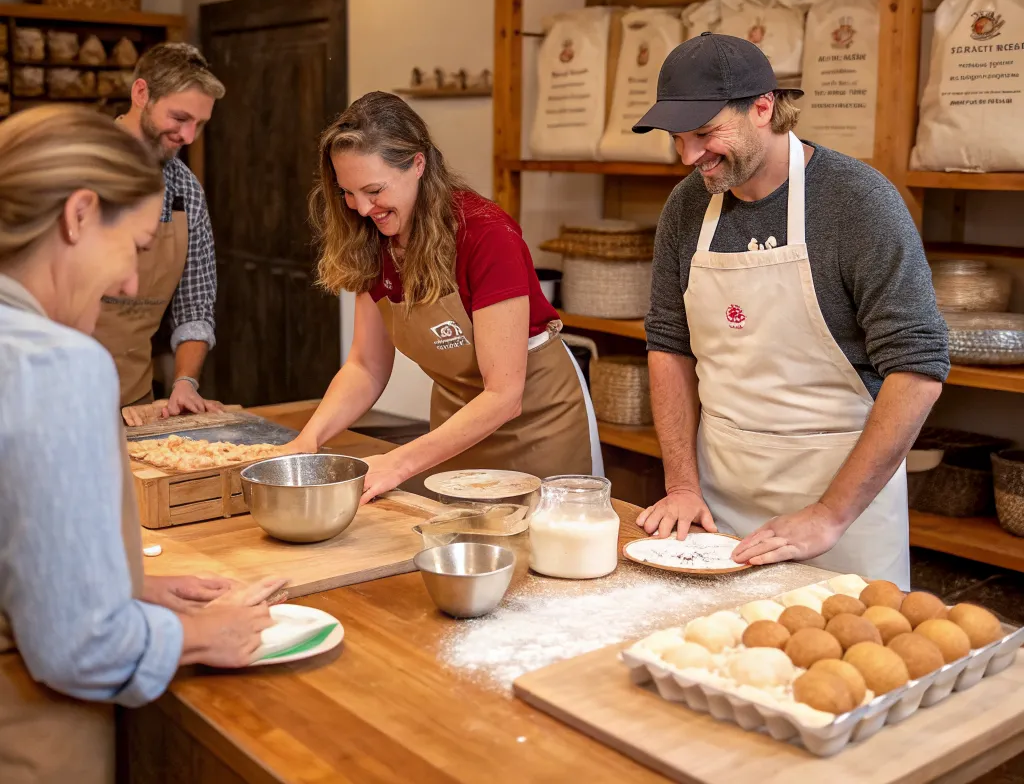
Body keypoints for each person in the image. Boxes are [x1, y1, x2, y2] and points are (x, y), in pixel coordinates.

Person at [0, 106, 280, 784]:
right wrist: (206, 634)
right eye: (132, 248)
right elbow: (81, 646)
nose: (130, 284)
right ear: (79, 215)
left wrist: (125, 585)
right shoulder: (55, 363)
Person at [631, 33, 948, 588]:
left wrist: (829, 516)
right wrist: (682, 483)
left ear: (764, 107)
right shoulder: (687, 205)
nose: (689, 157)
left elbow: (917, 369)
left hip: (841, 515)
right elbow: (669, 344)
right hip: (719, 503)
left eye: (706, 134)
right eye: (678, 138)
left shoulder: (858, 202)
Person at [288, 91, 601, 500]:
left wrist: (398, 462)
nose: (361, 209)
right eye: (347, 193)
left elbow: (504, 396)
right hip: (456, 432)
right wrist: (308, 442)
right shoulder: (372, 240)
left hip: (539, 427)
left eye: (374, 190)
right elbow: (366, 367)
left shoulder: (486, 235)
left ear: (418, 164)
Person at [92, 42, 225, 426]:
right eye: (180, 117)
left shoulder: (186, 192)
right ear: (141, 93)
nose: (189, 136)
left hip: (135, 405)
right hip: (51, 400)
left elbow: (195, 306)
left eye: (199, 124)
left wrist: (185, 381)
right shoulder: (80, 166)